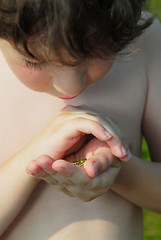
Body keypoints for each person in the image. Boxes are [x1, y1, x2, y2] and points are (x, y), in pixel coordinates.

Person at [0, 0, 161, 239]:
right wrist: (35, 155)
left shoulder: (144, 40)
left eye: (94, 51)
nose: (70, 87)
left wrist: (118, 168)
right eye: (34, 60)